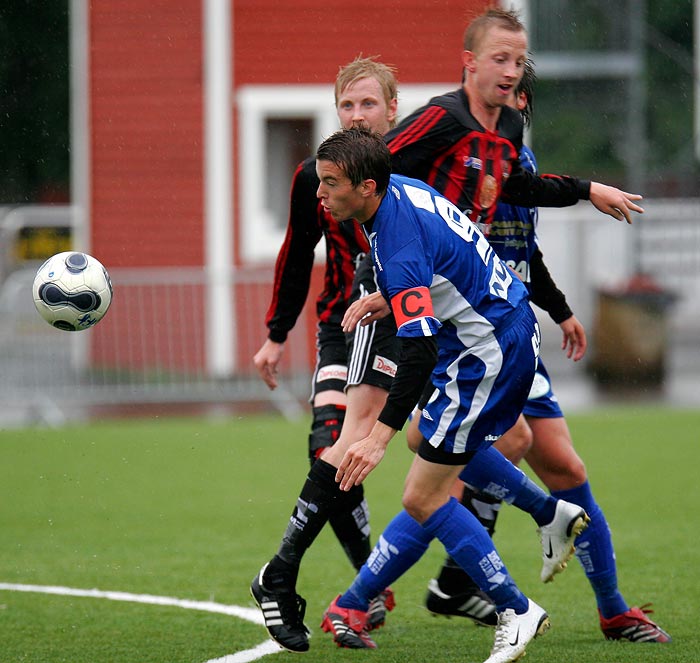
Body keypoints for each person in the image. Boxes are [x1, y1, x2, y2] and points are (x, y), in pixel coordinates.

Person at [313, 125, 590, 663]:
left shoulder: (395, 242)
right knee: (425, 437)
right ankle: (547, 512)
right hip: (505, 327)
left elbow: (415, 355)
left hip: (482, 356)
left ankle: (515, 609)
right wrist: (391, 299)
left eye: (330, 182)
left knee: (421, 495)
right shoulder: (402, 188)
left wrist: (374, 438)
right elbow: (445, 261)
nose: (320, 192)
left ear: (367, 186)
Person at [419, 60, 671, 643]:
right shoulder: (464, 164)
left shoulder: (518, 163)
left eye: (517, 98)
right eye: (500, 93)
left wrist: (558, 311)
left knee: (559, 467)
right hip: (464, 342)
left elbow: (521, 254)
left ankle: (612, 609)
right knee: (440, 474)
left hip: (512, 342)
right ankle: (371, 598)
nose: (509, 109)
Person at [250, 56, 401, 653]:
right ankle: (362, 581)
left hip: (409, 327)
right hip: (342, 325)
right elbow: (295, 253)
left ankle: (432, 584)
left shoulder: (411, 169)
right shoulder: (318, 175)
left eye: (369, 104)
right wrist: (275, 333)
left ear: (393, 111)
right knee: (331, 449)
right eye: (347, 105)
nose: (358, 115)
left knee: (453, 460)